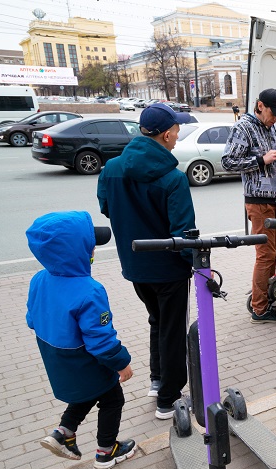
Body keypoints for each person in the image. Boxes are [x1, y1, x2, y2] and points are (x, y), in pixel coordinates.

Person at [97, 102, 196, 420]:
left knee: (158, 322)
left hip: (135, 267)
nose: (178, 136)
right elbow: (184, 233)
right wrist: (195, 262)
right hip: (169, 269)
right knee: (172, 329)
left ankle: (157, 381)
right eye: (177, 130)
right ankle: (168, 398)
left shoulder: (111, 168)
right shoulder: (173, 178)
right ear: (167, 135)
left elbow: (106, 207)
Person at [27, 211, 136, 469]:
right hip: (86, 359)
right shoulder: (90, 290)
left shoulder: (39, 279)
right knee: (112, 399)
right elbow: (100, 341)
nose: (93, 248)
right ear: (78, 250)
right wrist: (122, 363)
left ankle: (63, 433)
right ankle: (106, 451)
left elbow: (32, 319)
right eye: (89, 244)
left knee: (89, 391)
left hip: (56, 357)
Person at [222, 88, 276, 323]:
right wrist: (260, 159)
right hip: (258, 201)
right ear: (260, 105)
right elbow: (228, 162)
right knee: (265, 256)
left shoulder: (273, 128)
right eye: (273, 114)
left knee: (273, 252)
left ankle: (266, 295)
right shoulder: (243, 127)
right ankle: (259, 308)